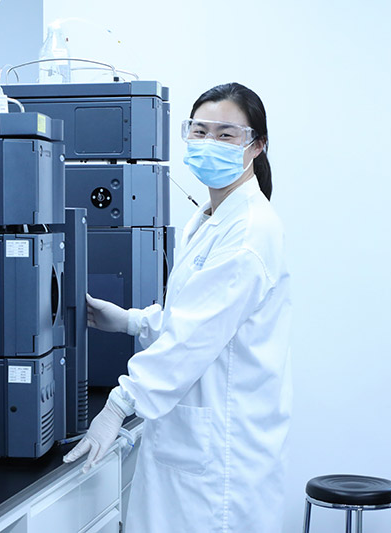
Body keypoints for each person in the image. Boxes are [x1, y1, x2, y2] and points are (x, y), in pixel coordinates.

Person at [63, 82, 292, 533]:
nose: (209, 143)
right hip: (194, 441)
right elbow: (196, 314)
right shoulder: (211, 219)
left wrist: (119, 404)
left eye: (226, 134)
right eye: (200, 131)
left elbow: (194, 338)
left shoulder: (249, 231)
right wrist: (132, 321)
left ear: (256, 146)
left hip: (223, 456)